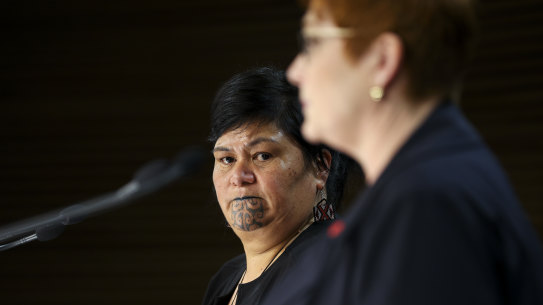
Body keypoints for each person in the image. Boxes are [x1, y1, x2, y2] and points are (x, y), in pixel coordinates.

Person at [259, 0, 543, 304]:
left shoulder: (427, 205)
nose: (294, 72)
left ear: (382, 61)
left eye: (313, 43)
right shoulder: (434, 180)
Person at [202, 67, 353, 305]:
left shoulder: (337, 263)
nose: (239, 176)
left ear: (320, 167)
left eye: (262, 156)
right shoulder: (226, 278)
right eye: (227, 159)